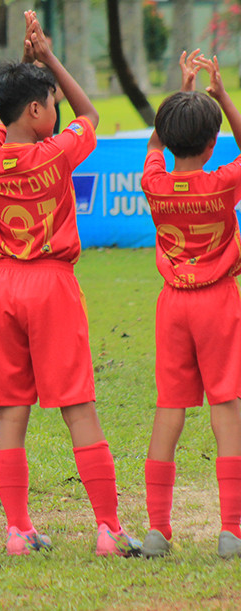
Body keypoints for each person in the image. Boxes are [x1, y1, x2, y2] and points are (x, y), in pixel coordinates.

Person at [0, 11, 140, 557]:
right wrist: (45, 58)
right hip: (51, 285)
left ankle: (18, 530)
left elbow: (6, 115)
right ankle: (108, 529)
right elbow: (88, 112)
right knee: (78, 408)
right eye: (49, 102)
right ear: (38, 109)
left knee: (11, 411)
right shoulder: (59, 151)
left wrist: (24, 72)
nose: (57, 109)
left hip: (3, 288)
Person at [138, 50, 241, 560]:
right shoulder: (222, 183)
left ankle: (157, 531)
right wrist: (220, 95)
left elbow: (157, 142)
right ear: (212, 142)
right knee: (226, 409)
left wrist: (182, 95)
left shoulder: (153, 184)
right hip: (218, 303)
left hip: (173, 304)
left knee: (169, 411)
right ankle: (231, 532)